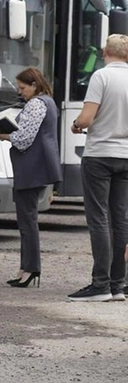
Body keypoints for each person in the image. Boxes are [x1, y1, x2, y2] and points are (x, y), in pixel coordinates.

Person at [67, 34, 128, 302]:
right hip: (126, 156)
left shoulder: (101, 77)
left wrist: (77, 124)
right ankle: (119, 284)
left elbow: (87, 117)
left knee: (99, 218)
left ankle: (100, 283)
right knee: (121, 219)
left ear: (105, 52)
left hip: (100, 155)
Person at [0, 67, 60, 289]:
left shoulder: (36, 104)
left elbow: (24, 139)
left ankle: (31, 268)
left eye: (23, 88)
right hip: (39, 168)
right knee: (27, 220)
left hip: (31, 169)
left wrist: (5, 134)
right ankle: (27, 267)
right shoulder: (48, 102)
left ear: (34, 85)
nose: (21, 92)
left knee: (27, 221)